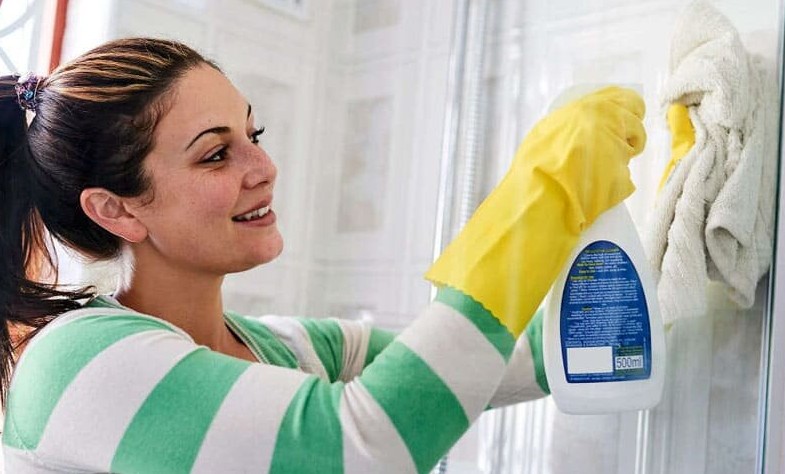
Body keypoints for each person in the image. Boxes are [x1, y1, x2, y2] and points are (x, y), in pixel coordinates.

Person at [0, 38, 645, 473]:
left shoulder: (291, 351)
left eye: (253, 134)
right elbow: (362, 446)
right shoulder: (73, 363)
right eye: (216, 154)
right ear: (116, 209)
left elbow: (522, 359)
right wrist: (544, 196)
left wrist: (673, 238)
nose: (264, 167)